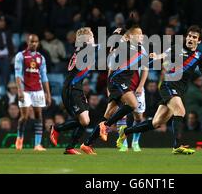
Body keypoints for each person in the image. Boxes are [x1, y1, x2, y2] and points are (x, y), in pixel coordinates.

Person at [119, 25, 202, 155]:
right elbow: (163, 55)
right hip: (168, 86)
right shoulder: (177, 48)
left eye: (194, 37)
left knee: (156, 122)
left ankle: (125, 132)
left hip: (179, 91)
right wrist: (155, 56)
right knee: (180, 110)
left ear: (199, 41)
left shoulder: (199, 56)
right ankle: (177, 146)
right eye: (189, 36)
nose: (191, 39)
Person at [80, 26, 148, 155]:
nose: (141, 37)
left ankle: (87, 143)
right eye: (137, 35)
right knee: (132, 105)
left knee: (108, 114)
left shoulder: (139, 49)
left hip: (125, 84)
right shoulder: (120, 48)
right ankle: (107, 128)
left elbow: (144, 65)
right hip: (118, 82)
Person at [49, 27, 99, 155]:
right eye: (91, 36)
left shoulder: (81, 50)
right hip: (72, 88)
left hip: (77, 88)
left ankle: (70, 146)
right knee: (84, 121)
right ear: (87, 39)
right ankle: (57, 129)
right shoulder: (85, 49)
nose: (93, 38)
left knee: (85, 121)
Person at [14, 34, 51, 151]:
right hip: (25, 90)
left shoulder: (41, 58)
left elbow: (44, 77)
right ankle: (19, 138)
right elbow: (18, 75)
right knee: (24, 117)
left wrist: (48, 94)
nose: (33, 44)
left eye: (35, 42)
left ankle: (37, 144)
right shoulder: (21, 56)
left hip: (38, 90)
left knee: (38, 116)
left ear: (38, 43)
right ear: (27, 42)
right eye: (31, 42)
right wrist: (19, 90)